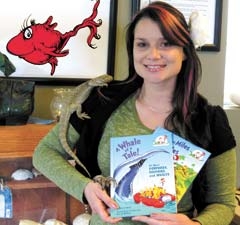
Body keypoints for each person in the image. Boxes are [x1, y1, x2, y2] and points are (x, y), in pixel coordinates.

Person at [33, 1, 237, 225]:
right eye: (142, 44)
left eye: (166, 43)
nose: (153, 54)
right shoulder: (102, 102)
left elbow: (223, 203)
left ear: (185, 51)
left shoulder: (210, 121)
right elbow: (44, 152)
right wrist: (86, 188)